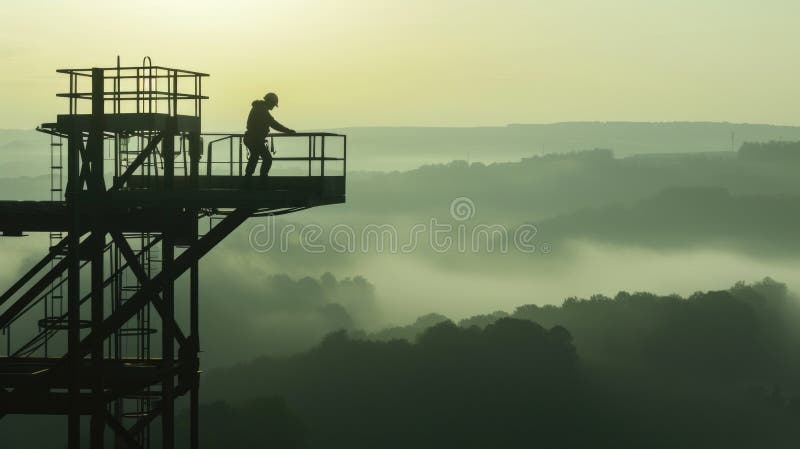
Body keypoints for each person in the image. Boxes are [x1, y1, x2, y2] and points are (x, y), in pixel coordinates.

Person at [243, 92, 296, 187]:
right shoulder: (262, 110)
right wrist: (288, 131)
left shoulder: (259, 108)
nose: (273, 107)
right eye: (273, 104)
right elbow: (273, 123)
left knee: (254, 157)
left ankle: (248, 181)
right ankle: (261, 182)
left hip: (252, 138)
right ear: (270, 102)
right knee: (267, 159)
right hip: (254, 139)